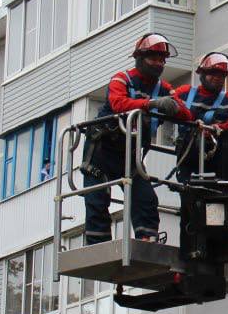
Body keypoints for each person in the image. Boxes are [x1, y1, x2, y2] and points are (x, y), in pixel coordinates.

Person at [82, 33, 192, 244]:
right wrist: (151, 104)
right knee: (97, 199)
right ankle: (98, 246)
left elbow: (185, 113)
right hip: (102, 150)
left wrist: (174, 107)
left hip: (129, 154)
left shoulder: (163, 88)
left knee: (145, 198)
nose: (158, 64)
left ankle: (147, 240)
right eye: (153, 58)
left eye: (162, 60)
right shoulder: (122, 79)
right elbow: (118, 103)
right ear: (140, 58)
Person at [171, 51, 228, 183]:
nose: (217, 78)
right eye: (213, 73)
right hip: (187, 157)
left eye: (222, 75)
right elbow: (167, 104)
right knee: (188, 191)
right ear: (202, 73)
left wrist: (213, 129)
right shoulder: (184, 93)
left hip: (216, 159)